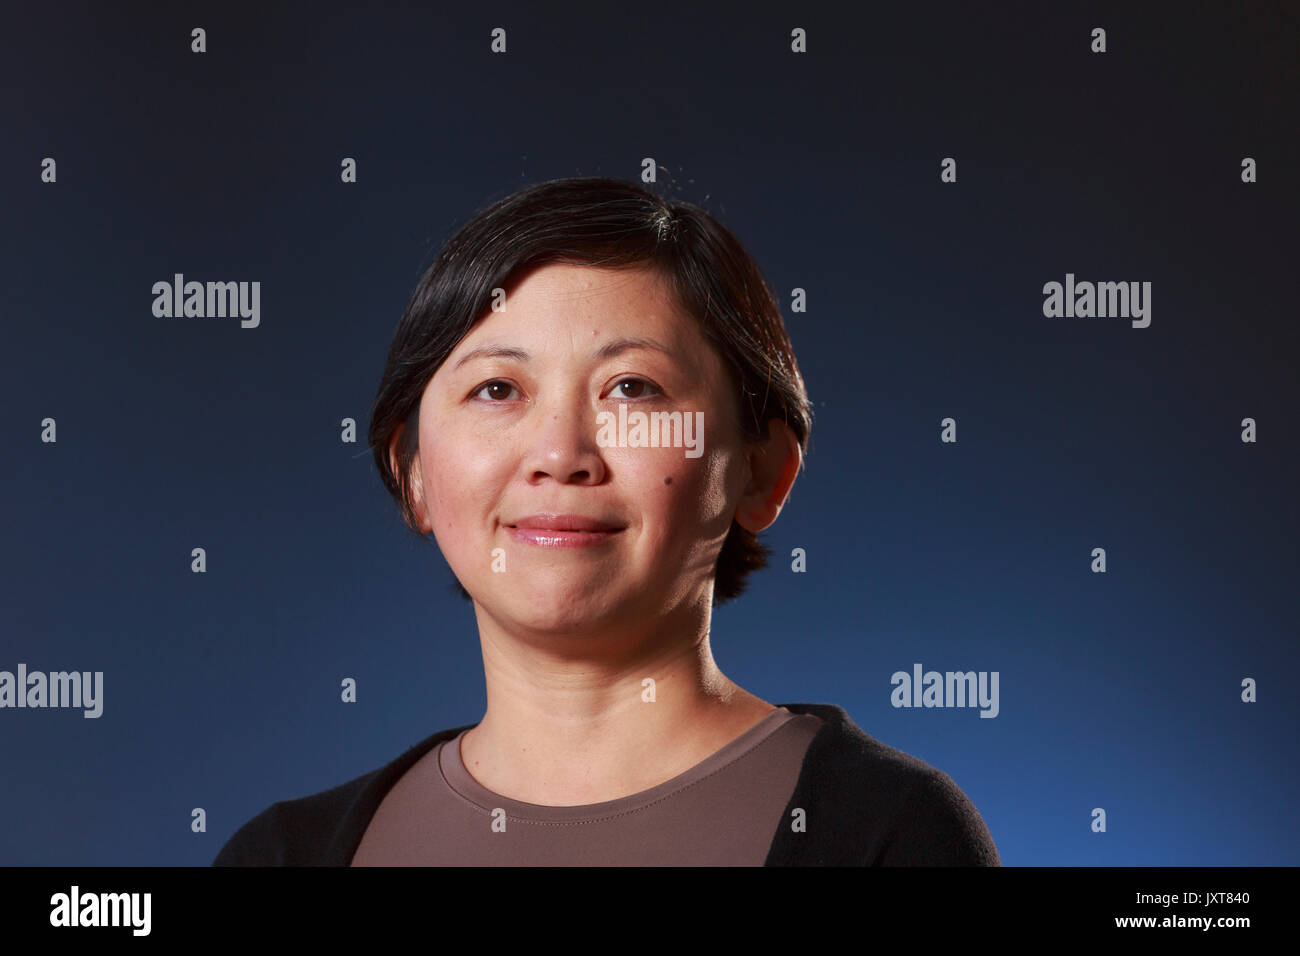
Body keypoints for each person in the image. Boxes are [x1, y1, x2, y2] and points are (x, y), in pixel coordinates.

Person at [213, 177, 1000, 866]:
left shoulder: (889, 836)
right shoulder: (285, 855)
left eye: (632, 389)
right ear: (411, 473)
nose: (560, 454)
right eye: (496, 389)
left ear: (762, 471)